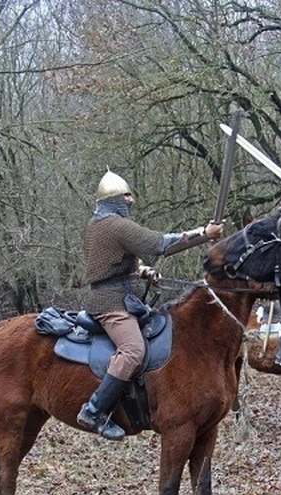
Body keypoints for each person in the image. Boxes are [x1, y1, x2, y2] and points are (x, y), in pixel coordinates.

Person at [78, 170, 224, 441]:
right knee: (133, 351)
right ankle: (95, 409)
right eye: (127, 195)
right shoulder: (114, 225)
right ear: (116, 199)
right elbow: (159, 244)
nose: (131, 200)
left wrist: (142, 271)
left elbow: (111, 261)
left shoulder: (97, 225)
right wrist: (204, 233)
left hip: (123, 298)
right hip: (111, 304)